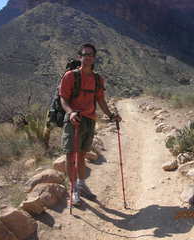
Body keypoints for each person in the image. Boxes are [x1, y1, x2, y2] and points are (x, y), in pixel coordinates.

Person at [59, 43, 121, 206]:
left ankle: (81, 184)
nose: (87, 57)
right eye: (84, 54)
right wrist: (71, 112)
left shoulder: (97, 79)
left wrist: (111, 115)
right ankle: (73, 189)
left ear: (94, 58)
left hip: (89, 120)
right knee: (70, 155)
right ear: (80, 57)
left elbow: (100, 99)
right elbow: (63, 98)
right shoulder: (70, 76)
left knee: (81, 155)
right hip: (74, 120)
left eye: (90, 55)